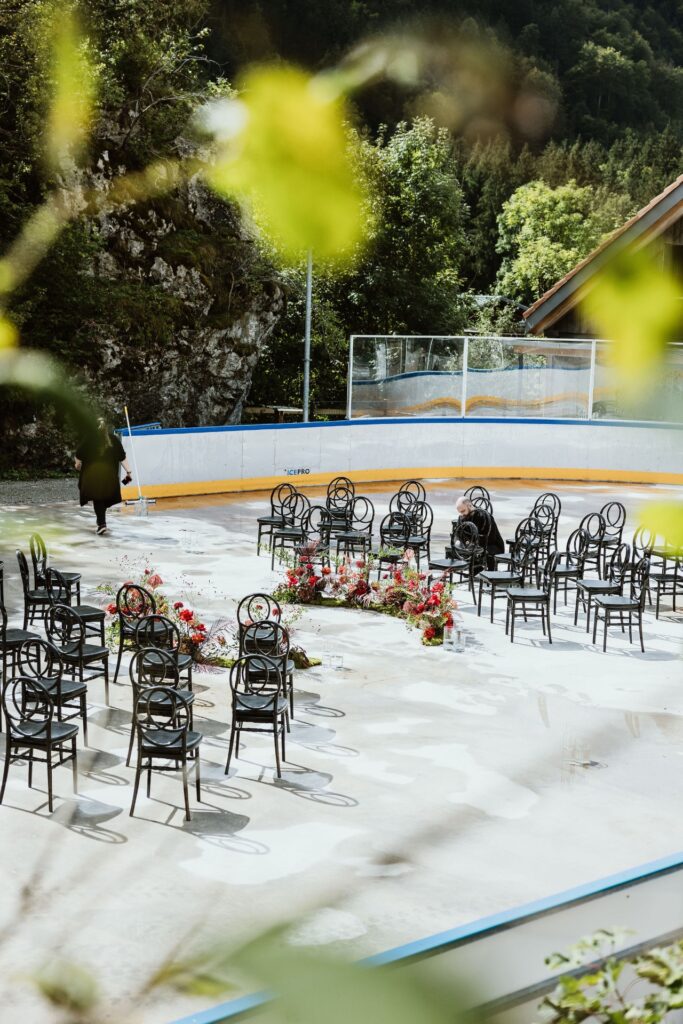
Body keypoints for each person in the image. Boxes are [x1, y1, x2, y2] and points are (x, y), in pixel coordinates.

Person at [75, 417, 132, 535]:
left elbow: (78, 456)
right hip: (109, 476)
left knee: (98, 499)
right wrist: (129, 472)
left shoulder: (89, 439)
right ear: (106, 427)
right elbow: (122, 457)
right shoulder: (114, 439)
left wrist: (78, 465)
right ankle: (101, 521)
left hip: (92, 476)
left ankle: (101, 523)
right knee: (102, 498)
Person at [455, 495, 504, 570]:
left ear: (470, 506)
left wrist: (471, 543)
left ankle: (487, 573)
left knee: (475, 552)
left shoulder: (484, 516)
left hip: (493, 546)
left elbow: (491, 538)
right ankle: (475, 571)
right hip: (474, 546)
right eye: (459, 512)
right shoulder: (462, 516)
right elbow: (458, 534)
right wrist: (463, 543)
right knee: (459, 548)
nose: (461, 514)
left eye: (463, 511)